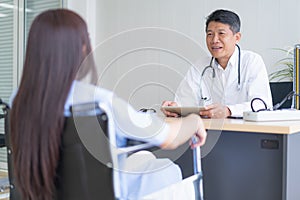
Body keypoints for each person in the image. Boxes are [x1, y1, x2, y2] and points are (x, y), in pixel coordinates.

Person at [10, 9, 207, 200]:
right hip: (100, 193)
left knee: (144, 158)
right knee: (167, 169)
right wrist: (194, 120)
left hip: (50, 192)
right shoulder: (97, 102)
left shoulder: (18, 100)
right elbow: (169, 139)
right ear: (81, 47)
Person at [162, 9, 272, 118]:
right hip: (209, 131)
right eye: (210, 34)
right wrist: (175, 108)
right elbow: (185, 100)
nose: (214, 40)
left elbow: (262, 104)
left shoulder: (252, 61)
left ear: (237, 37)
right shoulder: (200, 66)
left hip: (247, 131)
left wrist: (229, 111)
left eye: (221, 34)